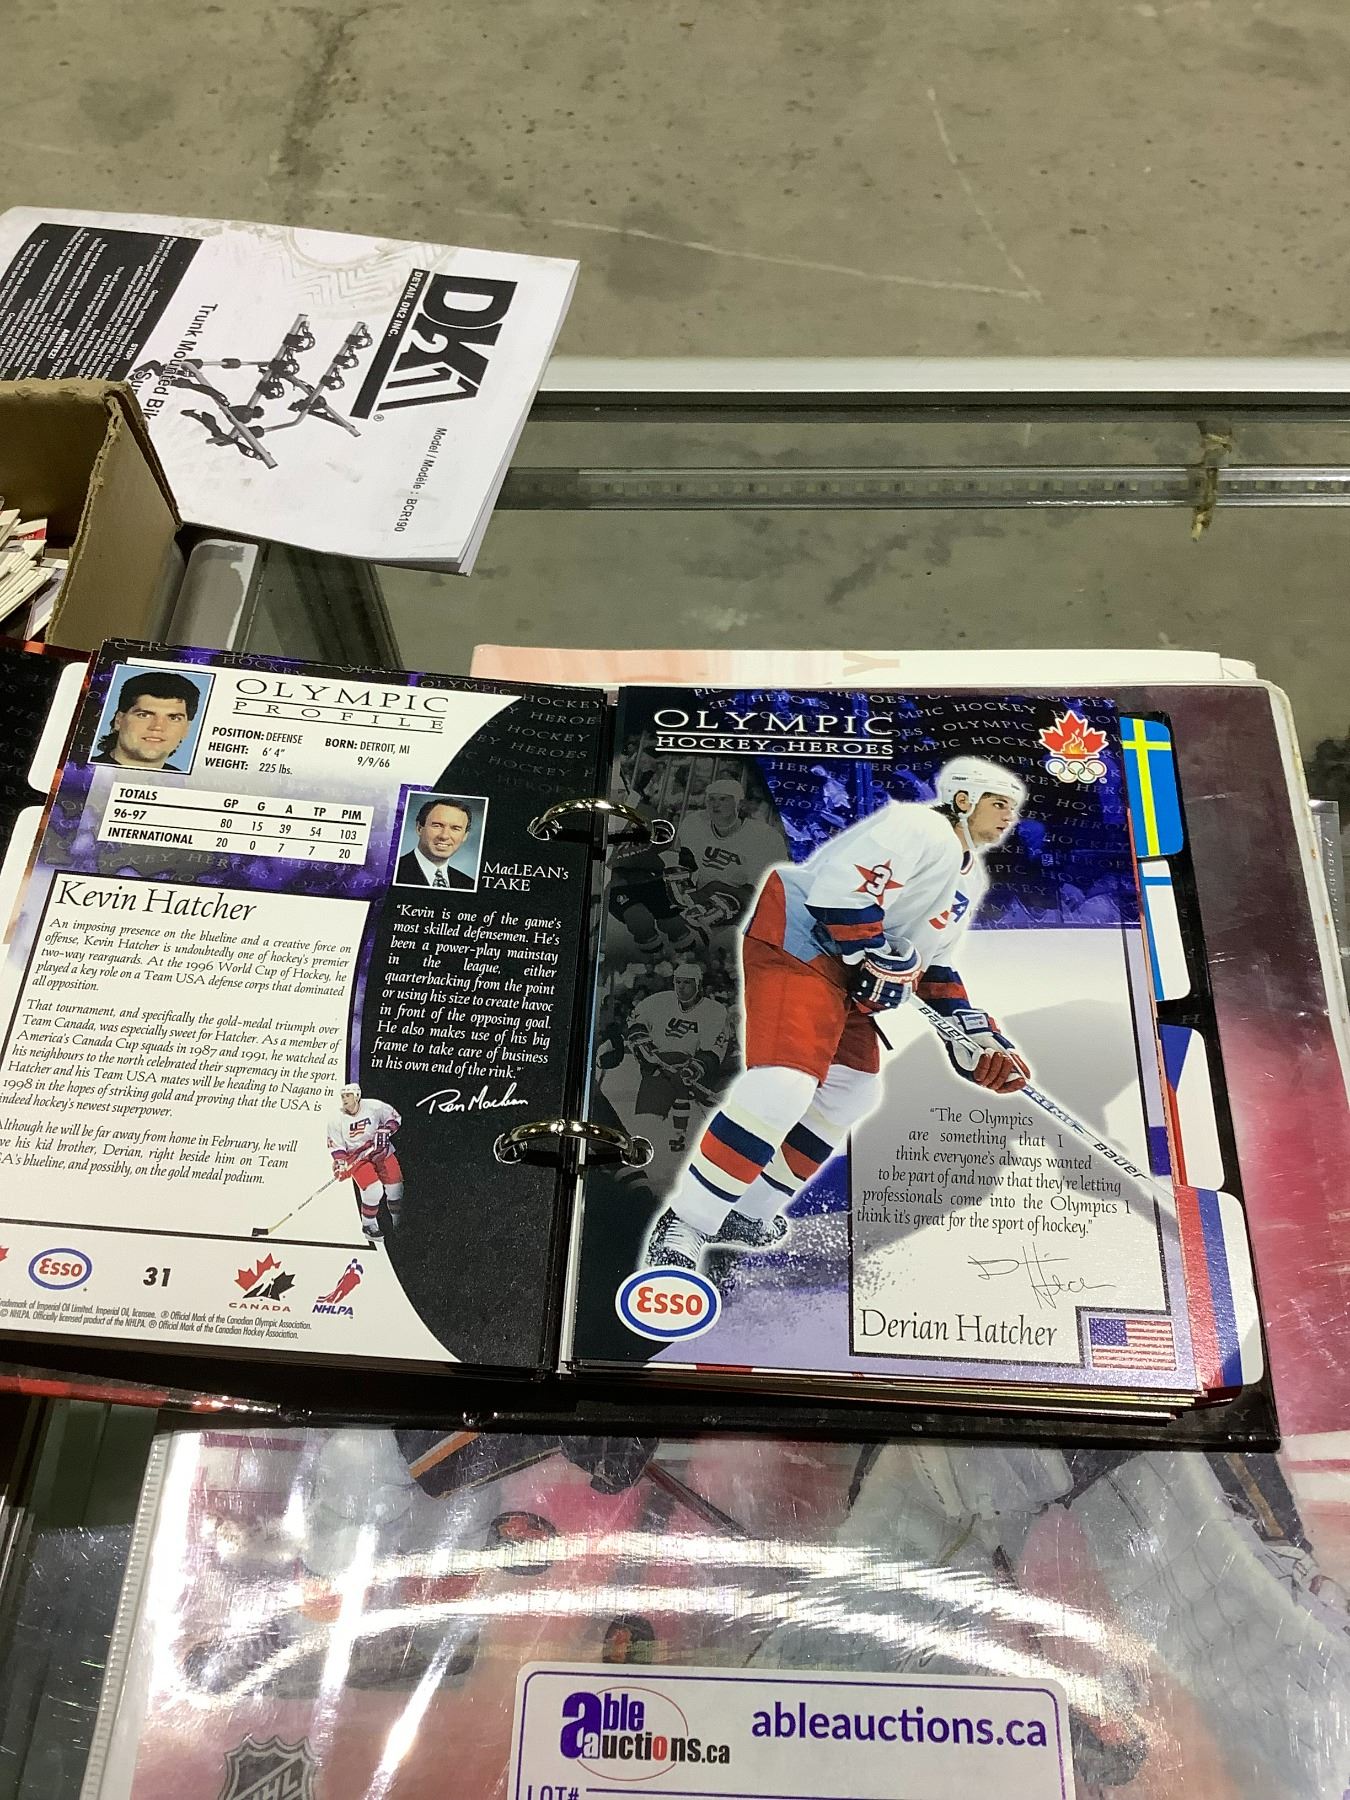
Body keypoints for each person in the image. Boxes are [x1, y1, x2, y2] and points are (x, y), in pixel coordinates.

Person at [642, 756, 1033, 1274]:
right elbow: (840, 895)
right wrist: (875, 954)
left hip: (849, 972)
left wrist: (973, 1035)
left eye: (1012, 808)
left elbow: (931, 964)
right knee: (784, 1083)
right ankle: (688, 1221)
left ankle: (747, 1212)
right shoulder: (918, 826)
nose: (1008, 816)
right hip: (801, 942)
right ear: (963, 800)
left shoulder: (970, 880)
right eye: (998, 803)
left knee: (852, 1090)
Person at [625, 962, 731, 1154]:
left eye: (687, 983)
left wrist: (696, 1068)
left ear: (698, 985)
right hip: (658, 1068)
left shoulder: (715, 1011)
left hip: (695, 1069)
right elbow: (636, 1023)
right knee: (645, 1125)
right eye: (678, 982)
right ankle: (675, 1134)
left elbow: (714, 1050)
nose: (681, 987)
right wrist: (642, 1044)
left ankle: (681, 1133)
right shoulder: (658, 1001)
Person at [326, 1083, 403, 1242]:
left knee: (396, 1188)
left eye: (348, 1095)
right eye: (343, 1096)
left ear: (357, 1096)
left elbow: (394, 1117)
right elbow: (336, 1145)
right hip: (357, 1157)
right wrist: (341, 1163)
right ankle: (368, 1225)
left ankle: (399, 1223)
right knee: (374, 1190)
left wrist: (386, 1129)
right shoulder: (336, 1119)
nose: (344, 1099)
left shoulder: (374, 1106)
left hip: (381, 1150)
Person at [91, 670, 203, 772]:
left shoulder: (187, 783)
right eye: (144, 715)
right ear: (119, 720)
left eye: (173, 718)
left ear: (186, 729)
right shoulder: (83, 770)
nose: (157, 727)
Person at [396, 798, 475, 889]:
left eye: (455, 828)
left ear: (465, 836)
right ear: (419, 828)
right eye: (437, 826)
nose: (444, 836)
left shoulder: (469, 884)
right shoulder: (393, 871)